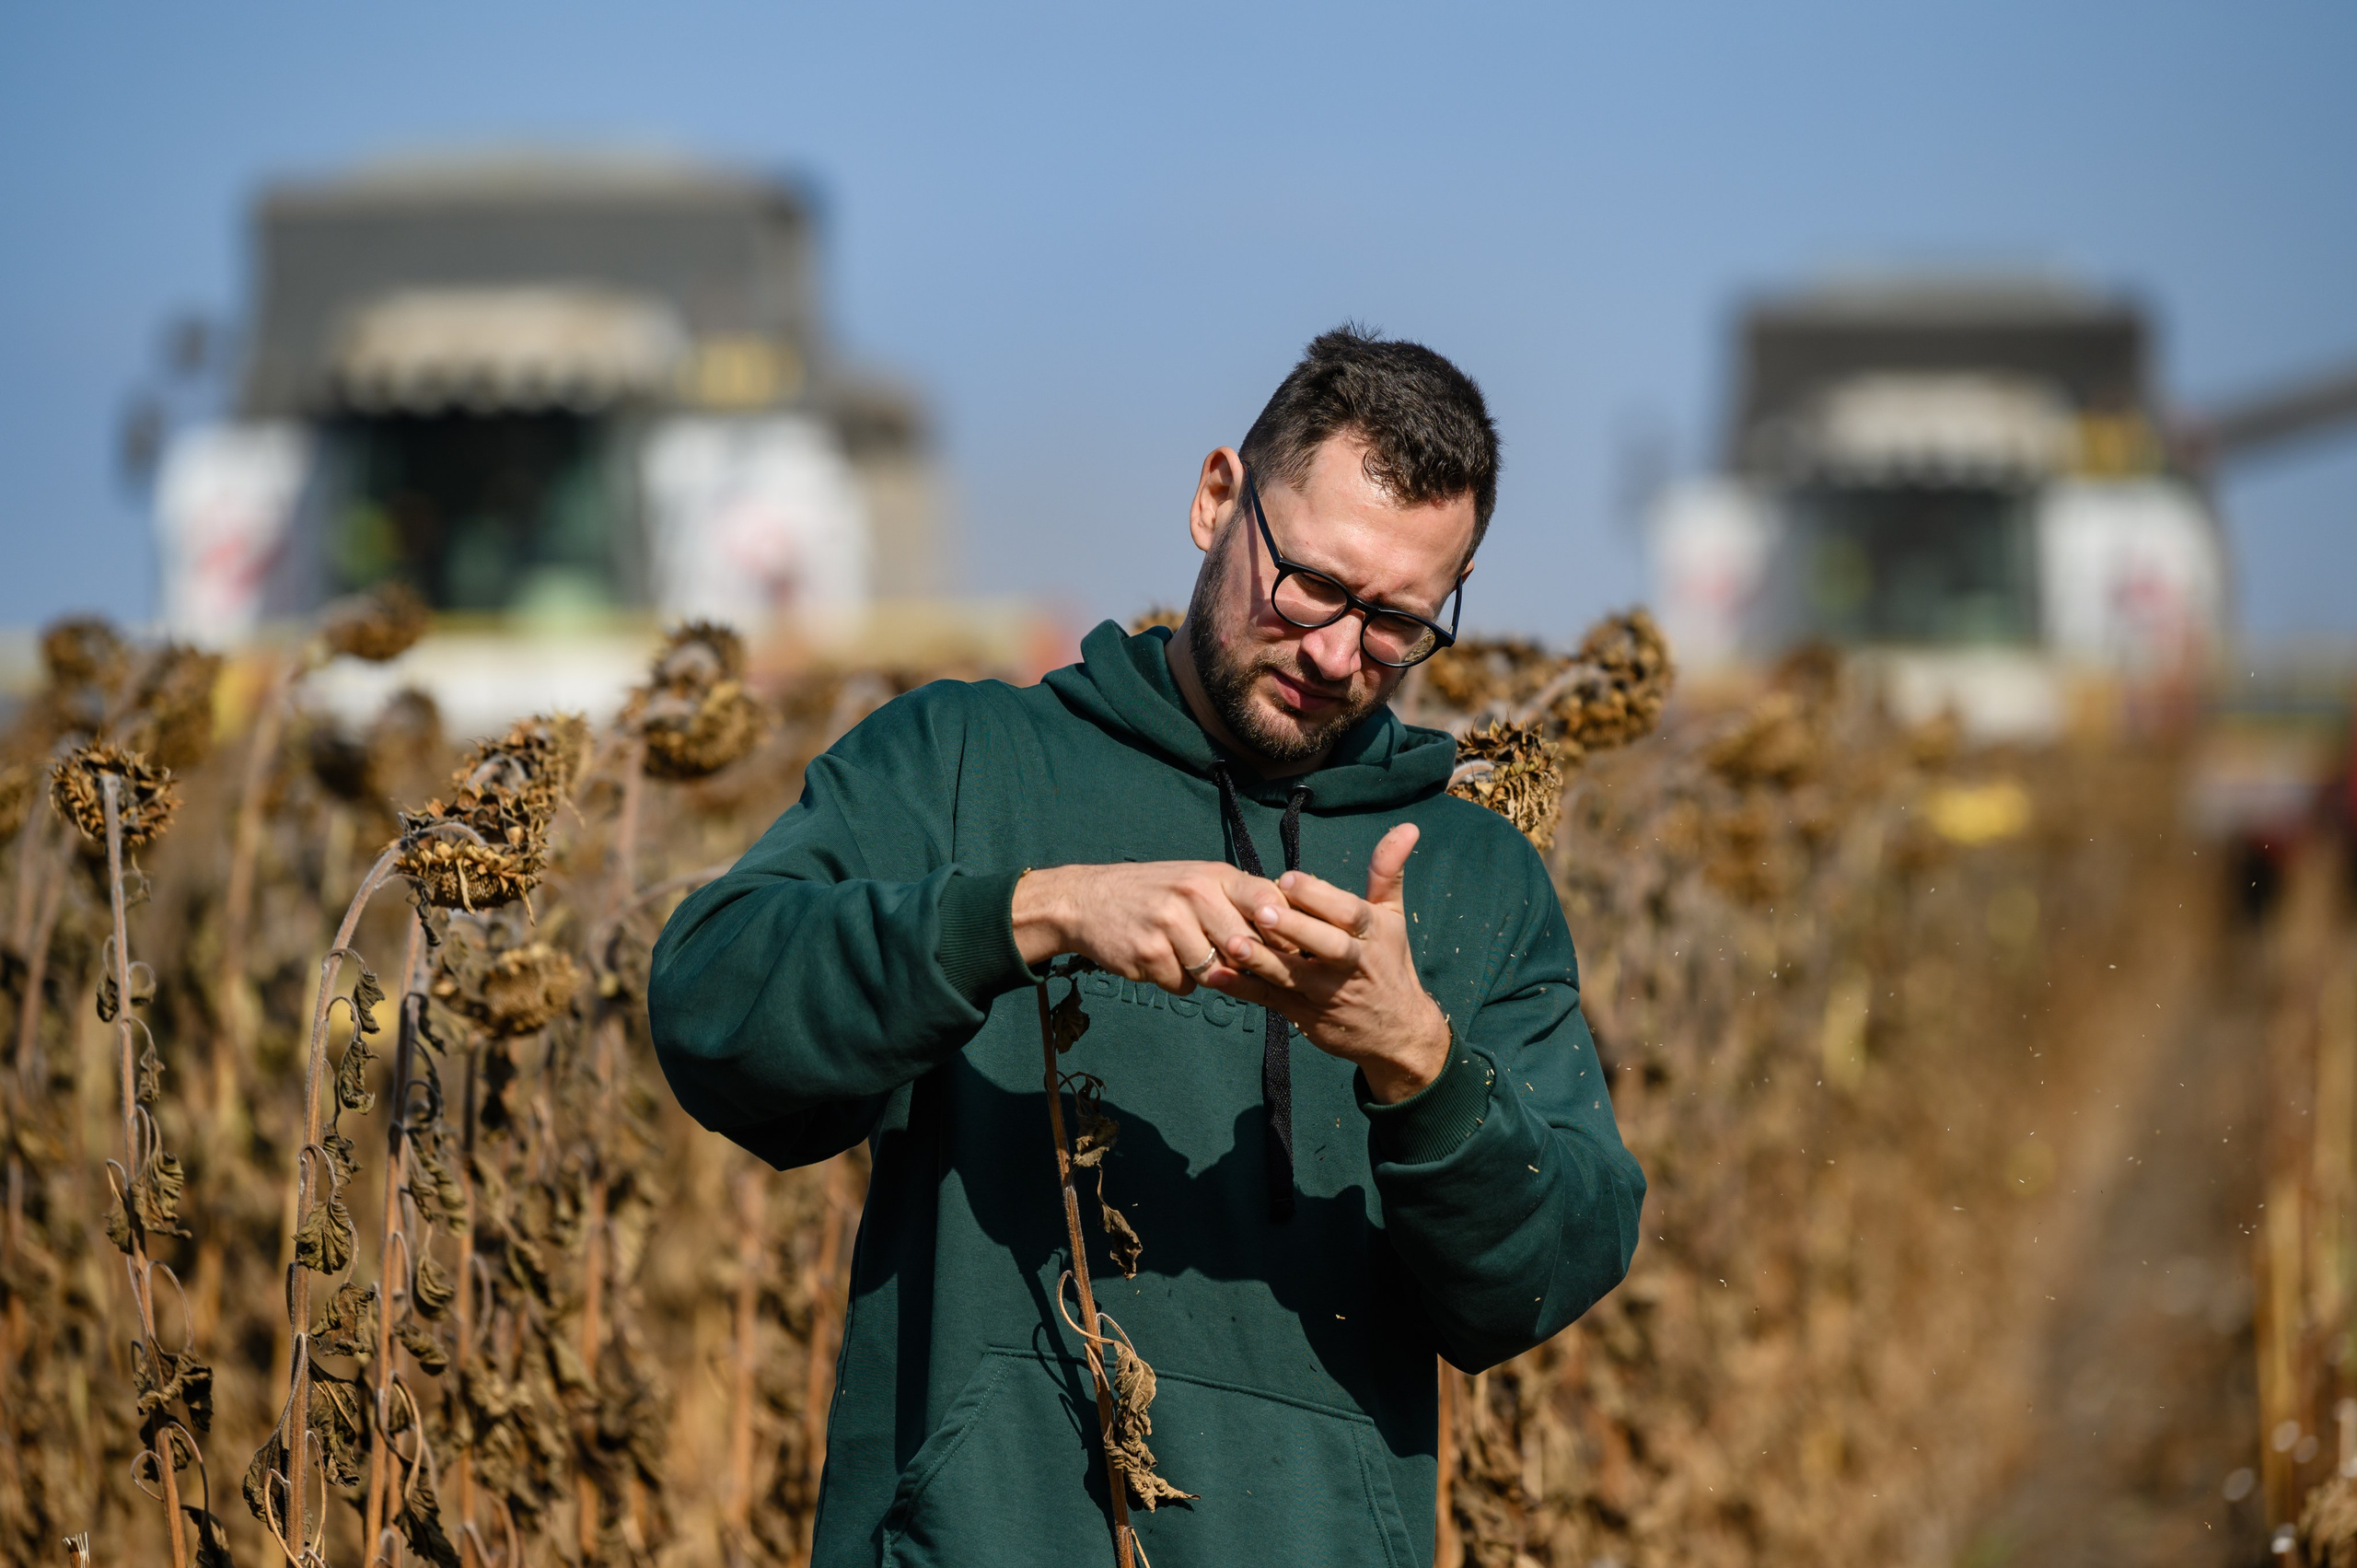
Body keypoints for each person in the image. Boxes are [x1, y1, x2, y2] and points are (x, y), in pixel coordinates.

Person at [649, 326, 1645, 1566]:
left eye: (1396, 622)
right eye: (1315, 587)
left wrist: (1417, 1064)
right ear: (1216, 498)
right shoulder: (962, 765)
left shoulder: (1473, 884)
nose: (1340, 655)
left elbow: (1543, 1277)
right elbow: (711, 1008)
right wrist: (1031, 914)